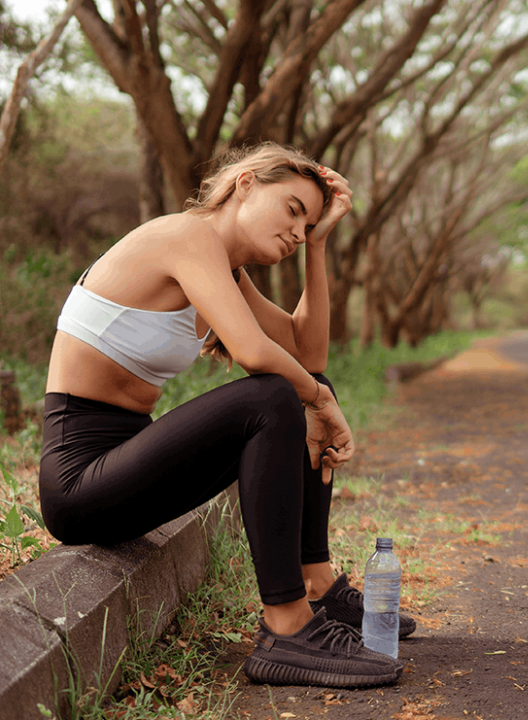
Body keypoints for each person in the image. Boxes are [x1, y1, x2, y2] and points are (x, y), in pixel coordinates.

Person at [39, 142, 412, 689]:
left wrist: (320, 247)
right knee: (276, 397)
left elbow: (308, 357)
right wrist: (320, 402)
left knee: (302, 386)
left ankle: (316, 585)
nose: (297, 231)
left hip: (125, 470)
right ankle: (287, 628)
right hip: (80, 484)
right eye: (292, 210)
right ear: (245, 184)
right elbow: (258, 356)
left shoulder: (226, 269)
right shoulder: (184, 236)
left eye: (307, 224)